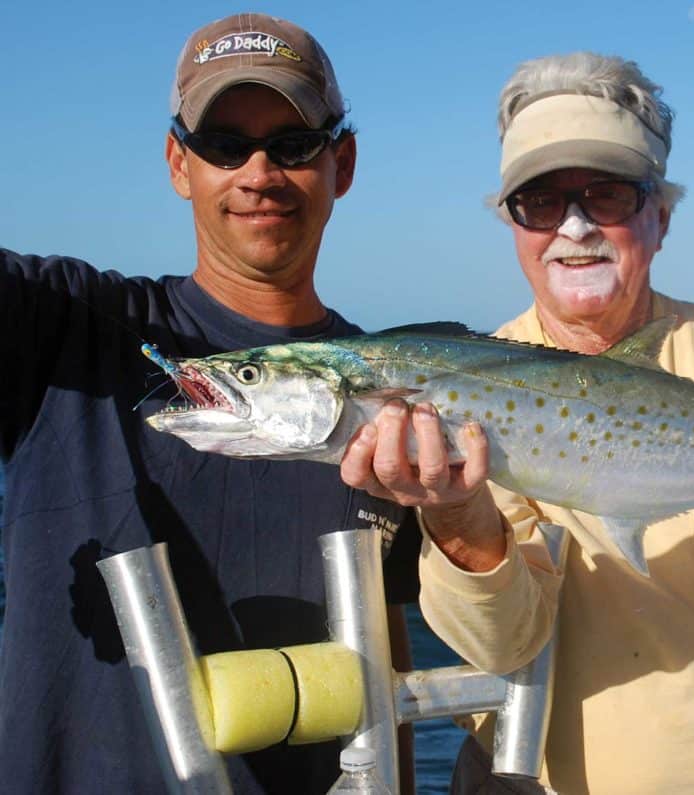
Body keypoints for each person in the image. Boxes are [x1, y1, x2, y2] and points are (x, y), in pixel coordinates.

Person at [341, 53, 694, 794]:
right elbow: (505, 641)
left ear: (660, 216)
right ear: (512, 227)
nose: (573, 225)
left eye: (606, 195)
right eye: (539, 202)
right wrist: (453, 504)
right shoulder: (467, 385)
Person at [1, 14, 422, 794]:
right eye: (225, 144)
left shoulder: (395, 392)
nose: (258, 172)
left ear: (343, 162)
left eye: (292, 144)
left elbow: (387, 641)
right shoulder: (56, 326)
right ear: (177, 162)